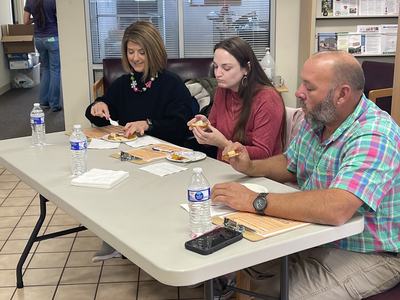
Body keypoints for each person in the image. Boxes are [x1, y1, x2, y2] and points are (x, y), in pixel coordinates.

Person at [212, 51, 400, 299]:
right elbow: (291, 163)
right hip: (316, 234)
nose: (299, 92)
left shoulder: (375, 134)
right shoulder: (319, 119)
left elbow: (337, 207)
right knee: (236, 255)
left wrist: (254, 201)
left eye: (309, 87)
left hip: (368, 251)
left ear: (342, 94)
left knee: (284, 294)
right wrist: (250, 167)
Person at [86, 21, 194, 262]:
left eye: (141, 52)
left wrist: (148, 124)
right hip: (132, 157)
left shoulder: (171, 83)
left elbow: (181, 124)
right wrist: (98, 105)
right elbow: (98, 112)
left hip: (167, 159)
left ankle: (149, 243)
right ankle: (117, 239)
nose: (135, 58)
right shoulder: (126, 83)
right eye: (130, 51)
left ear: (153, 51)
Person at [188, 37, 285, 161]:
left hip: (257, 174)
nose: (218, 74)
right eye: (216, 67)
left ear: (247, 68)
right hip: (226, 167)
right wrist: (204, 129)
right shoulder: (222, 91)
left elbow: (263, 154)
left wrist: (224, 144)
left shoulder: (267, 98)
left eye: (226, 68)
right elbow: (210, 140)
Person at [24, 0, 62, 112]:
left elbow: (25, 21)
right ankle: (54, 104)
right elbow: (59, 18)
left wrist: (35, 19)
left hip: (38, 39)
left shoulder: (29, 1)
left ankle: (44, 102)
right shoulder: (53, 1)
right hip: (52, 38)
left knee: (46, 69)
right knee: (55, 70)